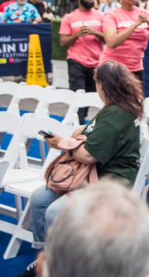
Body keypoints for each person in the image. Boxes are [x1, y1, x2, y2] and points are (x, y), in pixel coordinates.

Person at [27, 61, 143, 260]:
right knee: (39, 199)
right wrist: (83, 131)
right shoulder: (117, 107)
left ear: (102, 85)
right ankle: (47, 257)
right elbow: (95, 135)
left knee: (56, 211)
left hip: (111, 181)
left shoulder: (116, 113)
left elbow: (88, 155)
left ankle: (67, 264)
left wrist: (62, 143)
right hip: (92, 175)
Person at [37, 180, 149, 277]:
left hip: (96, 178)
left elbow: (87, 155)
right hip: (87, 179)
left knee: (50, 208)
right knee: (39, 200)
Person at [59, 0, 105, 125]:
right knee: (77, 97)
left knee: (93, 97)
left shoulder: (101, 16)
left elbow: (109, 39)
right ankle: (76, 127)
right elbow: (63, 42)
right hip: (76, 61)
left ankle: (85, 124)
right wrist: (77, 35)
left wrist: (94, 32)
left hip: (96, 63)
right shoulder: (69, 17)